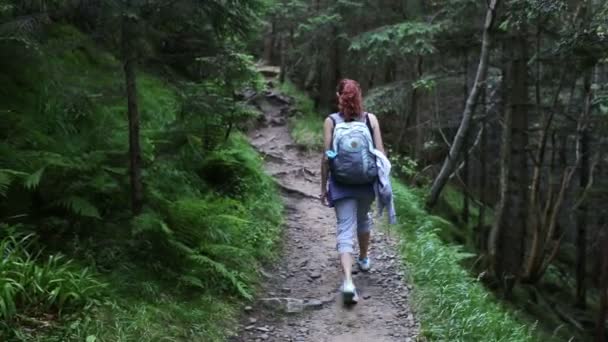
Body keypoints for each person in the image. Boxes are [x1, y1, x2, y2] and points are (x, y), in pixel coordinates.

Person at [320, 79, 386, 304]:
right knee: (363, 218)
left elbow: (327, 157)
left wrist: (323, 187)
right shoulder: (370, 119)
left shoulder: (331, 121)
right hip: (366, 182)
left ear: (339, 96)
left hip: (341, 183)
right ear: (359, 96)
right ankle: (364, 258)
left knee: (344, 228)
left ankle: (348, 281)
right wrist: (383, 184)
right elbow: (380, 155)